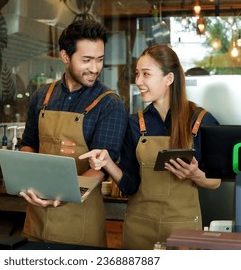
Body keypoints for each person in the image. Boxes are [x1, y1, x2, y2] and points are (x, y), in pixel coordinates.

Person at [79, 44, 221, 250]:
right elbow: (130, 186)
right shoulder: (134, 123)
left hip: (183, 230)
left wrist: (196, 175)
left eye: (146, 74)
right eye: (137, 74)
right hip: (139, 229)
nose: (138, 81)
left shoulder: (200, 120)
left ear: (169, 79)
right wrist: (107, 161)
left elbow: (215, 181)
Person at [18, 19, 128, 248]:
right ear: (65, 57)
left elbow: (100, 169)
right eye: (86, 60)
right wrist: (26, 180)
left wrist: (59, 194)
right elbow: (28, 144)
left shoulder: (110, 104)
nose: (95, 68)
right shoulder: (42, 96)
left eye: (99, 59)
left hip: (80, 222)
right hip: (37, 217)